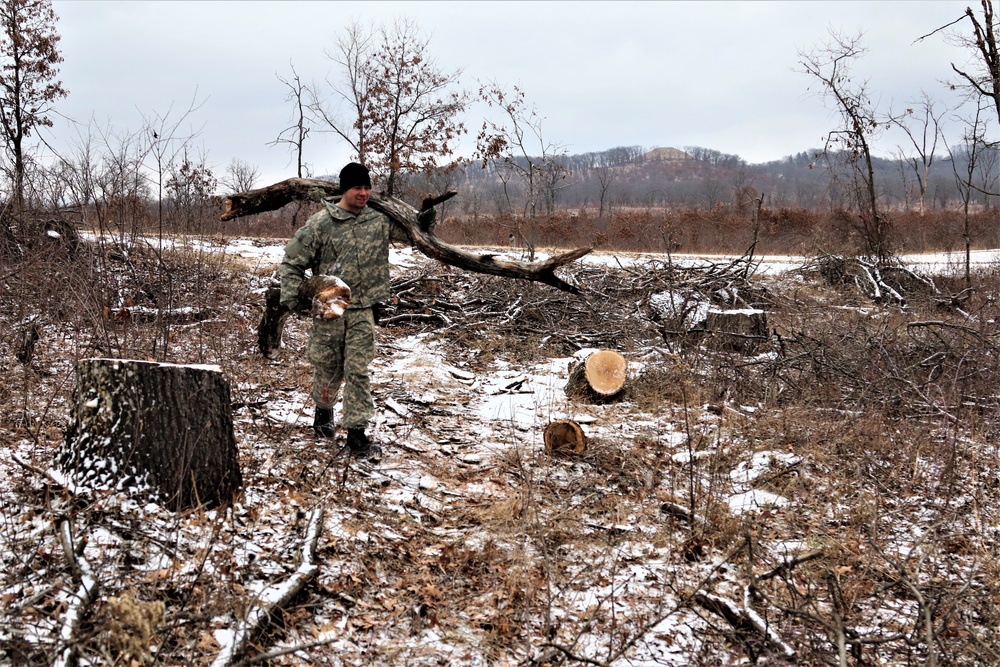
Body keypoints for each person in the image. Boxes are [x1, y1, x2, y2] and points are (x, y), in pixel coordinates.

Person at [278, 162, 434, 459]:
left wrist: (425, 218)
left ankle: (356, 432)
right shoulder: (321, 223)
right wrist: (295, 299)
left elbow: (413, 232)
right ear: (344, 189)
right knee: (329, 368)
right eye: (357, 188)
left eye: (366, 187)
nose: (363, 193)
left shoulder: (377, 221)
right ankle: (323, 412)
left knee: (358, 370)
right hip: (331, 310)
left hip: (364, 309)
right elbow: (291, 263)